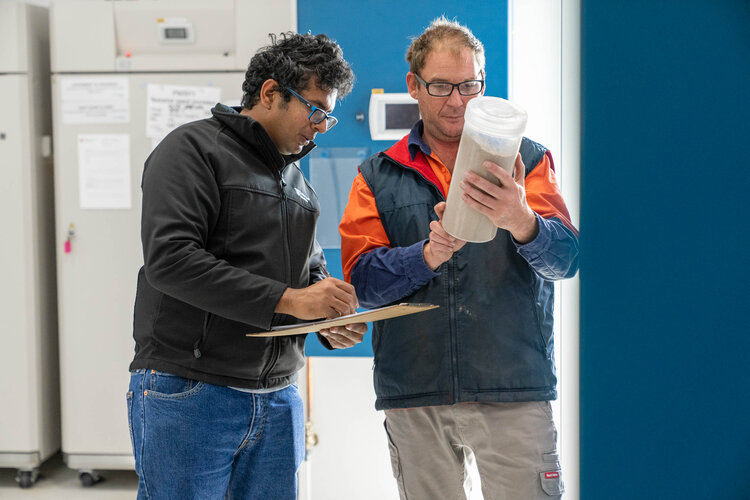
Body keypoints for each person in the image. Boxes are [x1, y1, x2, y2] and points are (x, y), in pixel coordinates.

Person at [339, 17, 579, 500]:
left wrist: (522, 219)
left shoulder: (528, 161)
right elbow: (363, 283)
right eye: (442, 86)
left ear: (483, 84)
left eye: (469, 85)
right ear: (414, 86)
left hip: (512, 387)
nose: (457, 101)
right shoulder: (377, 175)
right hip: (415, 391)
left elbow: (566, 260)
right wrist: (425, 255)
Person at [127, 32, 365, 500]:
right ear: (271, 93)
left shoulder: (296, 183)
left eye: (328, 116)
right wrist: (293, 300)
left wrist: (326, 315)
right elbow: (171, 260)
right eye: (314, 108)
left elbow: (307, 271)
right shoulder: (192, 150)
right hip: (192, 392)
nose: (320, 125)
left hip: (277, 399)